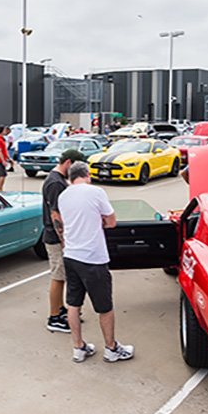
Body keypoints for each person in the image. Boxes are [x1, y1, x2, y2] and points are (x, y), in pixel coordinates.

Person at [57, 161, 134, 363]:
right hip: (92, 257)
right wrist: (97, 220)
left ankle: (78, 347)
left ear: (71, 177)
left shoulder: (63, 195)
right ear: (87, 174)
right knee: (104, 306)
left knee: (73, 303)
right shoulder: (96, 191)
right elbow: (111, 222)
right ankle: (111, 348)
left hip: (71, 255)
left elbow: (67, 221)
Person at [42, 149, 86, 333]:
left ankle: (61, 310)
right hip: (55, 238)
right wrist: (63, 240)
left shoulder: (59, 180)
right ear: (68, 162)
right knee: (58, 277)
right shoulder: (55, 183)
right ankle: (54, 318)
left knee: (62, 276)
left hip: (59, 237)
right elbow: (55, 214)